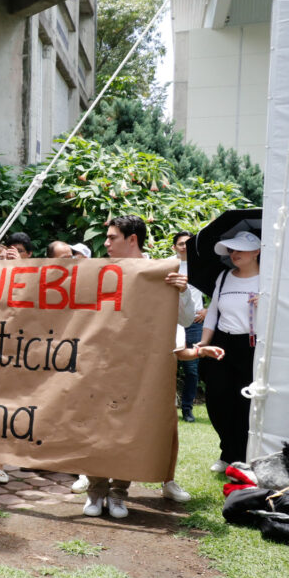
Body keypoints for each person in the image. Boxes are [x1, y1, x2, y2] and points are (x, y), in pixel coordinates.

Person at [83, 215, 194, 518]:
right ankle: (95, 491)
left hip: (142, 369)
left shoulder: (162, 272)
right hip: (101, 364)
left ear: (132, 239)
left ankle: (119, 493)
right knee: (95, 425)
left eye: (112, 237)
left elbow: (185, 319)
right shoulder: (100, 272)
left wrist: (182, 293)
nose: (106, 243)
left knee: (130, 428)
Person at [197, 230, 261, 472]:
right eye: (232, 250)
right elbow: (213, 312)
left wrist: (264, 304)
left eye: (240, 250)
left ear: (257, 252)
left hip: (253, 345)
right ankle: (227, 450)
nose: (234, 254)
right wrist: (204, 343)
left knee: (246, 402)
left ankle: (240, 456)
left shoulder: (269, 279)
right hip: (222, 344)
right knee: (217, 399)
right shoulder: (223, 277)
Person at [172, 231, 206, 422]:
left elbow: (216, 291)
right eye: (181, 243)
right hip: (172, 320)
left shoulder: (200, 266)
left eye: (188, 243)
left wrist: (208, 310)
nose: (184, 246)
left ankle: (187, 408)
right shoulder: (168, 265)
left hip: (194, 322)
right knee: (169, 366)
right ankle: (168, 406)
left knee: (192, 369)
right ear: (174, 247)